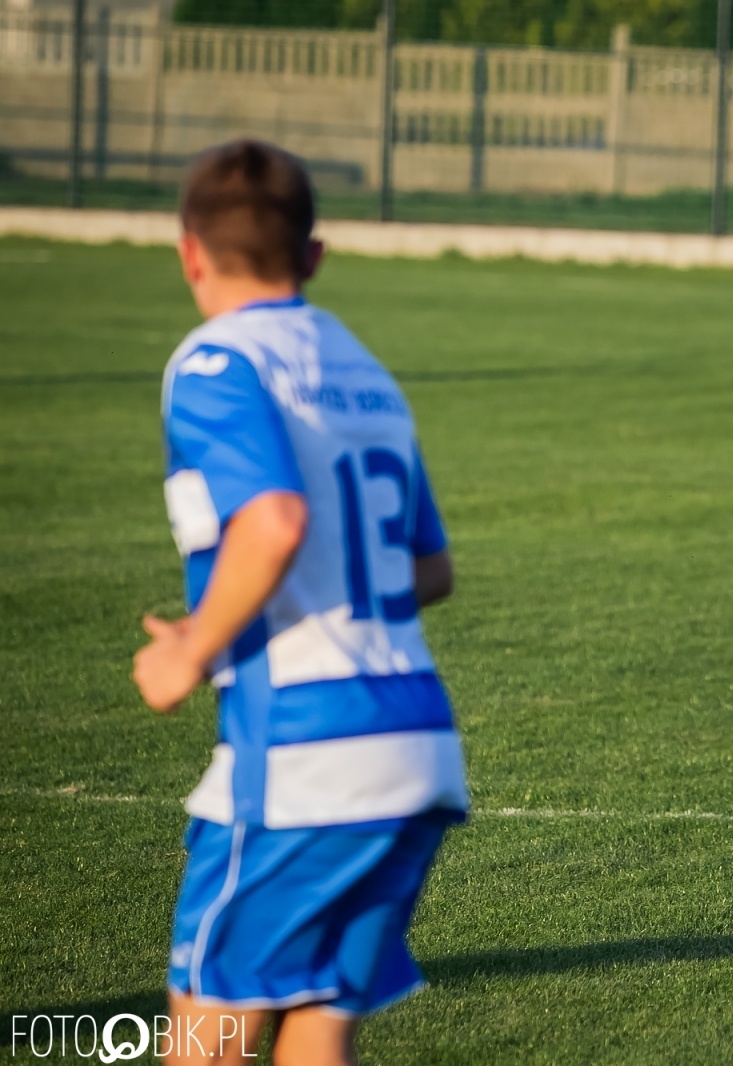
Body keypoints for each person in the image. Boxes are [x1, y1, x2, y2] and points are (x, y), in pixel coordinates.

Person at [132, 139, 469, 1065]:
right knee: (316, 1034)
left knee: (207, 1036)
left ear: (188, 251)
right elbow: (431, 569)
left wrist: (190, 648)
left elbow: (273, 521)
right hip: (417, 742)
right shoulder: (362, 367)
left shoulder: (213, 364)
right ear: (313, 257)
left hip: (302, 755)